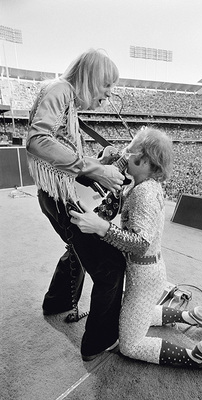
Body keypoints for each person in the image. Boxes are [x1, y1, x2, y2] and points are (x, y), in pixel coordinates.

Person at [70, 127, 202, 370]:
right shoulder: (144, 185)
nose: (125, 154)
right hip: (149, 273)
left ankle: (197, 357)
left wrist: (101, 227)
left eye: (130, 150)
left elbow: (140, 242)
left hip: (144, 275)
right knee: (136, 311)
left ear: (145, 160)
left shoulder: (143, 193)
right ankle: (190, 316)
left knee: (130, 344)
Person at [26, 48, 127, 359]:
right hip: (59, 198)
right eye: (107, 85)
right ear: (90, 77)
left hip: (55, 194)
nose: (110, 93)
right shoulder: (59, 91)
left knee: (77, 249)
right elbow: (36, 141)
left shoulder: (66, 101)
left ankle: (56, 301)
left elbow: (65, 159)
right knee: (110, 265)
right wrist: (96, 169)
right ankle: (99, 340)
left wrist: (99, 161)